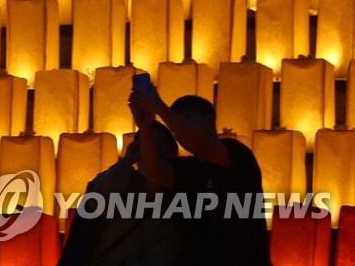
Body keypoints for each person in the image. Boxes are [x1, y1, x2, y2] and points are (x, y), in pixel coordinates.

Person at [128, 91, 272, 266]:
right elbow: (154, 168)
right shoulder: (187, 168)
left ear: (210, 121)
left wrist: (158, 107)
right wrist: (146, 128)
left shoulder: (235, 152)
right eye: (177, 122)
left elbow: (198, 144)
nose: (180, 127)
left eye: (187, 118)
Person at [59, 123, 181, 266]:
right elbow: (95, 201)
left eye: (161, 141)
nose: (155, 147)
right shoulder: (119, 180)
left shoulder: (178, 197)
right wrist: (126, 161)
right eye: (148, 141)